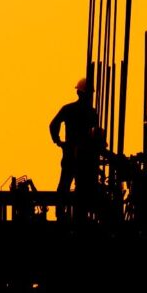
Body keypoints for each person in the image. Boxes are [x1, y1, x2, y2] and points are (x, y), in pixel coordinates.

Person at [49, 78, 99, 222]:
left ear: (78, 92)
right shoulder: (91, 112)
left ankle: (61, 213)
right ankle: (79, 215)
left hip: (71, 151)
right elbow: (95, 133)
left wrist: (58, 141)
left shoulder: (69, 109)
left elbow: (53, 125)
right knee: (82, 186)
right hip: (86, 155)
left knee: (65, 183)